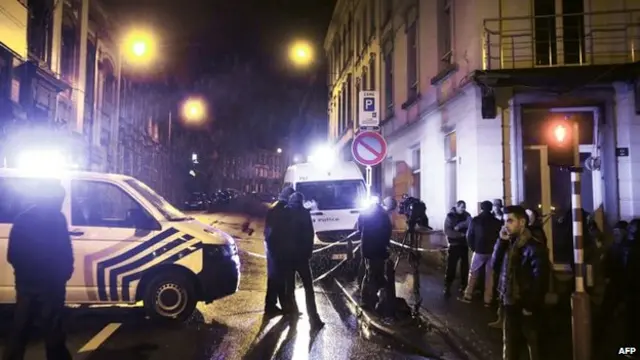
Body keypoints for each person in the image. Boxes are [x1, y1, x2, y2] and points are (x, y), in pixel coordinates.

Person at [3, 181, 73, 360]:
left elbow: (12, 254)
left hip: (27, 285)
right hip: (51, 285)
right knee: (53, 332)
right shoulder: (57, 219)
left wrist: (23, 275)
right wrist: (63, 274)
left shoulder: (22, 219)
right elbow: (64, 250)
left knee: (20, 330)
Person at [494, 205, 549, 360]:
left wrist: (530, 305)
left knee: (533, 344)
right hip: (509, 301)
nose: (506, 225)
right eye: (504, 221)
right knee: (510, 343)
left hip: (526, 304)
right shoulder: (508, 243)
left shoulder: (534, 247)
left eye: (510, 221)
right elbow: (495, 265)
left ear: (522, 222)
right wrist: (501, 242)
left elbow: (541, 278)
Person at [283, 192, 324, 329]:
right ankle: (314, 318)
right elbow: (309, 234)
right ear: (301, 201)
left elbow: (279, 234)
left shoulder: (285, 212)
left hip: (288, 256)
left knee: (290, 287)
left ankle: (292, 312)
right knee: (308, 288)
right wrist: (308, 252)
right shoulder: (304, 213)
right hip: (302, 257)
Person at [460, 200, 502, 306]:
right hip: (492, 251)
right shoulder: (497, 222)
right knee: (490, 276)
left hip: (479, 250)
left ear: (482, 208)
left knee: (473, 273)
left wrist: (473, 247)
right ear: (491, 208)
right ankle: (488, 299)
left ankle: (468, 295)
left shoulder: (475, 220)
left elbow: (469, 236)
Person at [358, 196, 393, 313]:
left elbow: (359, 229)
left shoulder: (365, 213)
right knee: (374, 274)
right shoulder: (384, 215)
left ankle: (367, 299)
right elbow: (388, 232)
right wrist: (386, 245)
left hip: (367, 248)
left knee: (369, 274)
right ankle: (371, 300)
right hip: (379, 249)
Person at [263, 186, 295, 316]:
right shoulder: (284, 210)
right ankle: (281, 306)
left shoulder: (274, 208)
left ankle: (273, 305)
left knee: (274, 277)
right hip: (279, 248)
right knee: (280, 278)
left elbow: (268, 230)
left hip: (273, 248)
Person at [443, 200, 471, 296]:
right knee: (451, 266)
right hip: (454, 245)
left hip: (464, 244)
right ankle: (448, 286)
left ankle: (464, 285)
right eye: (461, 207)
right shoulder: (450, 216)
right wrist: (460, 234)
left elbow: (470, 226)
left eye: (464, 207)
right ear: (457, 206)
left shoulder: (467, 215)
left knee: (464, 267)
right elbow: (447, 231)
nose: (463, 209)